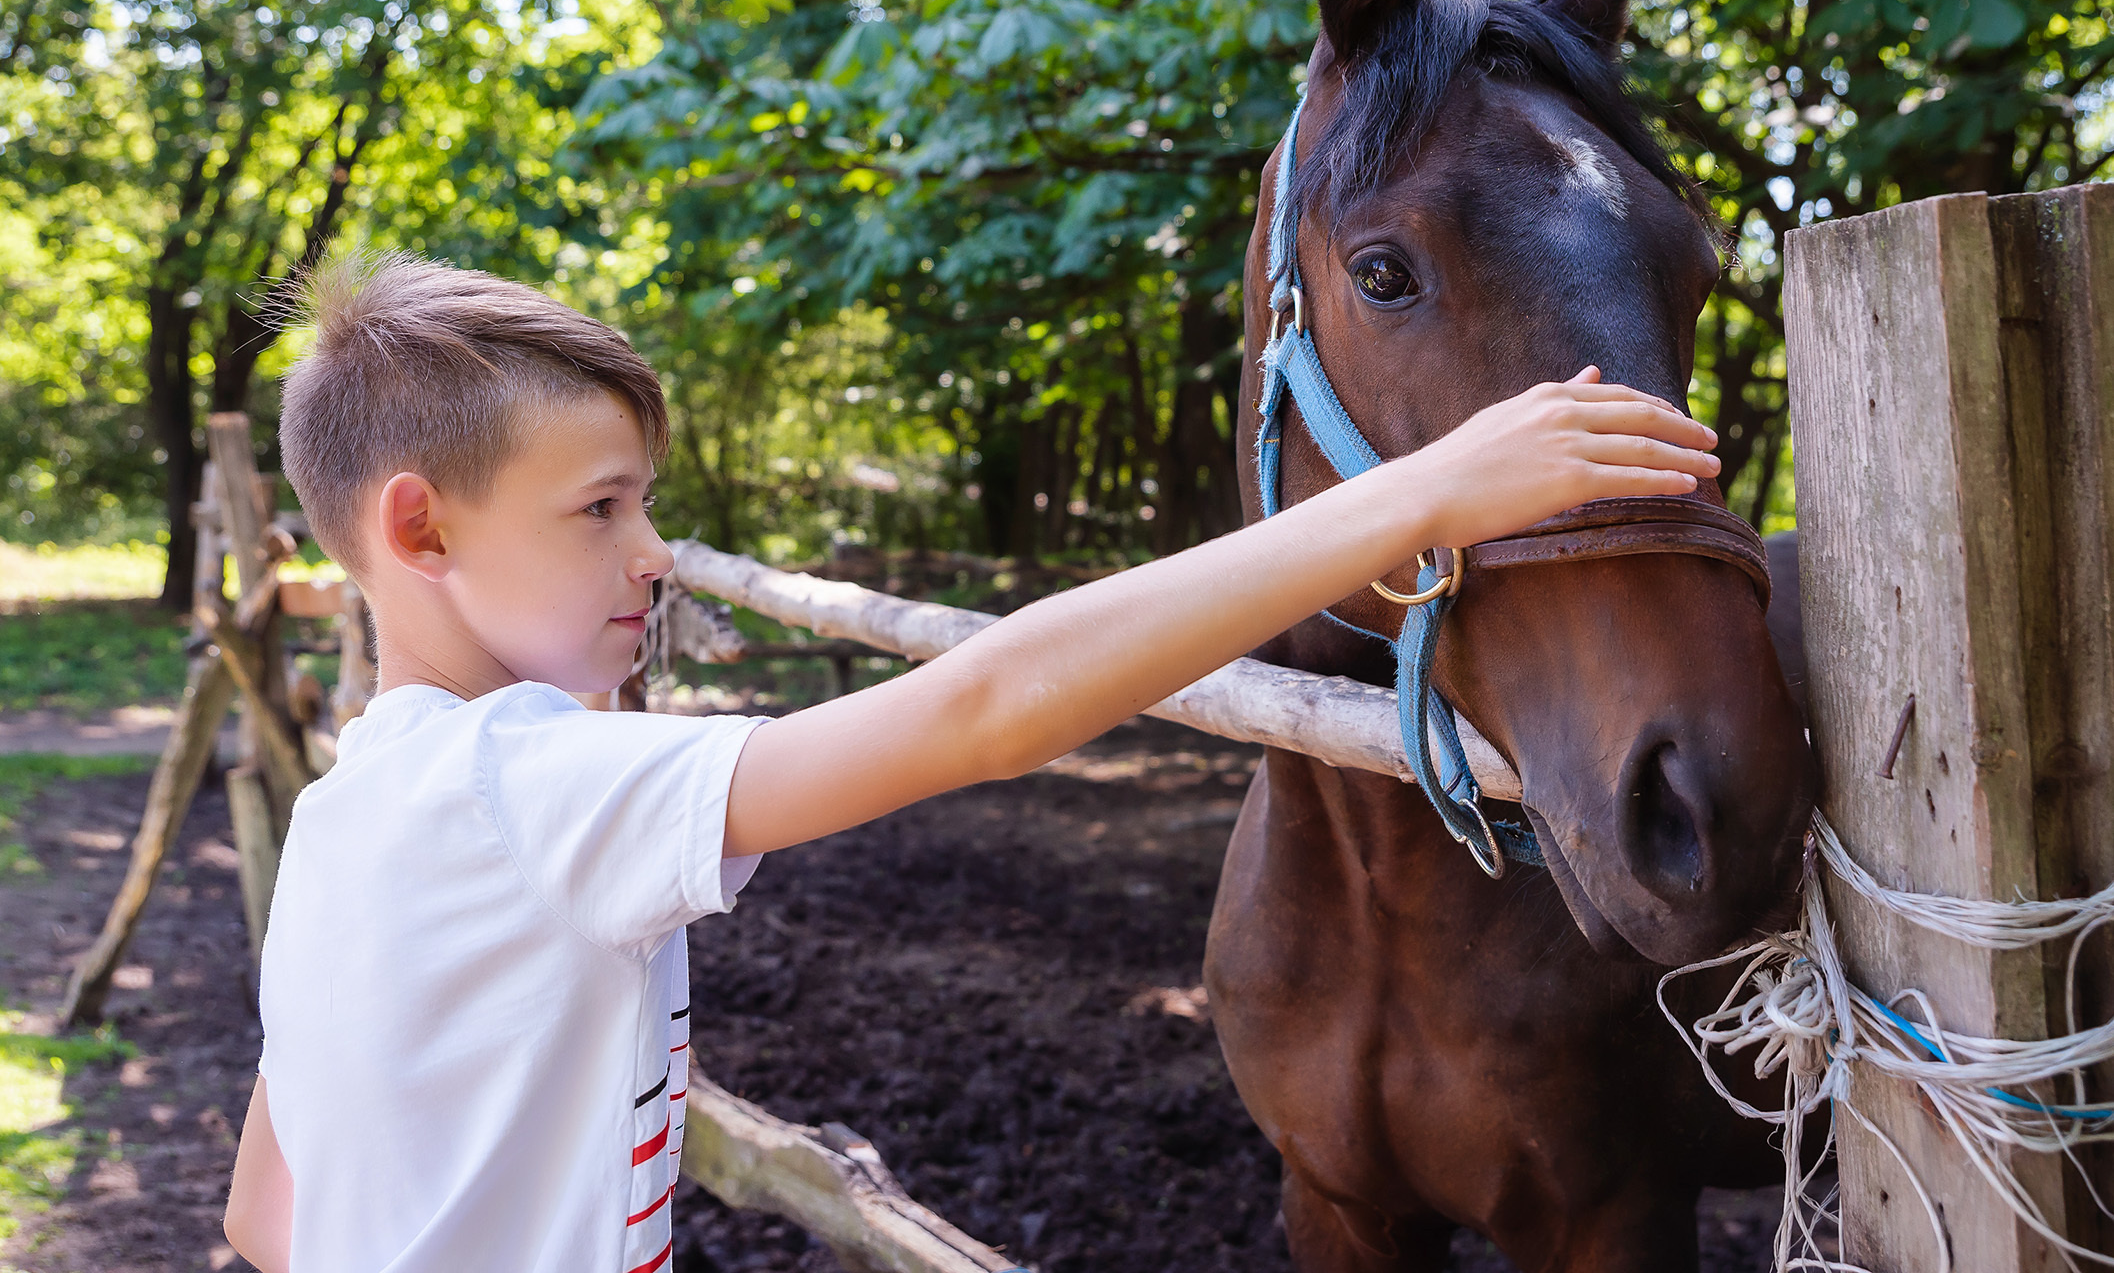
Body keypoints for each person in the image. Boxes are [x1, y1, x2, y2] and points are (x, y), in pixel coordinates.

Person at [222, 251, 1720, 1273]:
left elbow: (265, 1214)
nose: (654, 552)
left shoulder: (348, 823)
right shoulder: (515, 783)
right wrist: (1421, 491)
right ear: (420, 531)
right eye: (600, 509)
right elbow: (985, 706)